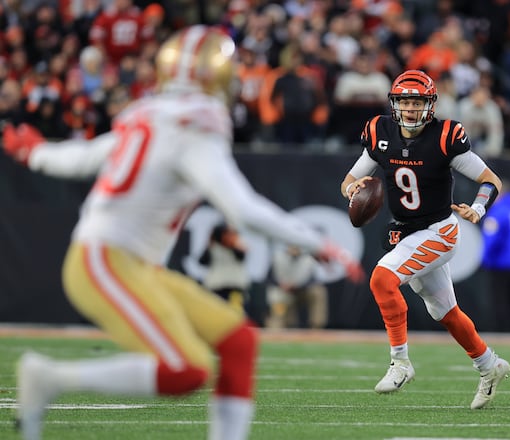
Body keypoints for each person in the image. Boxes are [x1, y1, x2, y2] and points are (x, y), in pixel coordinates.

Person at [3, 25, 362, 440]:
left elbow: (84, 157)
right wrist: (317, 242)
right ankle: (50, 379)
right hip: (106, 259)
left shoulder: (148, 114)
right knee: (186, 370)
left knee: (239, 343)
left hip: (133, 263)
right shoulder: (194, 127)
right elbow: (242, 210)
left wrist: (34, 152)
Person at [340, 69, 510, 410]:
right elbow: (351, 178)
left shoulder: (445, 136)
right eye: (404, 101)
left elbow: (491, 180)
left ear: (429, 105)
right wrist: (351, 190)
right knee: (445, 313)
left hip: (439, 231)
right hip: (407, 230)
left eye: (417, 102)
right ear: (394, 104)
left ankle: (400, 362)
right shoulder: (380, 132)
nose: (410, 109)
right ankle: (489, 365)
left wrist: (478, 209)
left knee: (382, 278)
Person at [479, 180, 510, 332]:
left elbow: (492, 238)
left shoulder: (499, 211)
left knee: (501, 300)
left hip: (501, 262)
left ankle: (503, 332)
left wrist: (484, 259)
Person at [266, 245, 329, 329]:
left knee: (318, 291)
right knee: (278, 310)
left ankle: (316, 327)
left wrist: (297, 285)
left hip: (302, 291)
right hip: (283, 293)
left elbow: (313, 280)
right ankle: (275, 329)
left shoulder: (308, 259)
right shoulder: (278, 257)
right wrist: (281, 285)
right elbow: (269, 279)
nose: (294, 249)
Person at [199, 222, 251, 315]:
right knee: (217, 313)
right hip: (216, 286)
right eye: (225, 234)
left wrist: (234, 243)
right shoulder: (213, 247)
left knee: (236, 313)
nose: (228, 237)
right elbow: (202, 261)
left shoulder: (238, 245)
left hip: (235, 286)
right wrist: (209, 244)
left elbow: (241, 257)